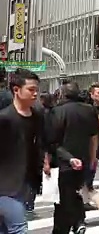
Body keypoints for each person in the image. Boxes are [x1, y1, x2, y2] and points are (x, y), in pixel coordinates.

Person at [46, 81, 99, 233]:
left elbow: (51, 141)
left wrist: (47, 161)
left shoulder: (57, 111)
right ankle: (77, 222)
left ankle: (71, 224)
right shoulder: (89, 110)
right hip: (83, 158)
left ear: (63, 94)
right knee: (74, 191)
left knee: (63, 197)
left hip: (63, 160)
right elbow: (94, 136)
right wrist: (92, 158)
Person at [0, 69, 45, 234]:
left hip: (26, 185)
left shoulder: (38, 116)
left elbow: (42, 145)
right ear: (16, 90)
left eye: (36, 90)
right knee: (19, 229)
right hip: (5, 186)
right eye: (31, 90)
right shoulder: (4, 118)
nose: (35, 94)